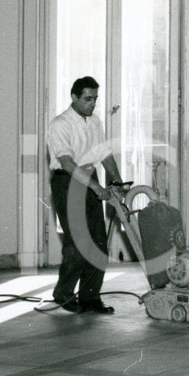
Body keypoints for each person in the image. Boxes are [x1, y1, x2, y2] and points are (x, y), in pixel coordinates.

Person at [46, 76, 125, 314]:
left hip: (90, 180)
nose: (92, 104)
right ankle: (64, 293)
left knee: (99, 242)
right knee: (78, 243)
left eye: (95, 99)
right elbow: (68, 163)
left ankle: (90, 297)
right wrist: (95, 187)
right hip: (68, 182)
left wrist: (117, 181)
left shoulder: (95, 122)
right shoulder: (60, 124)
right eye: (88, 99)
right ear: (74, 98)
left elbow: (105, 154)